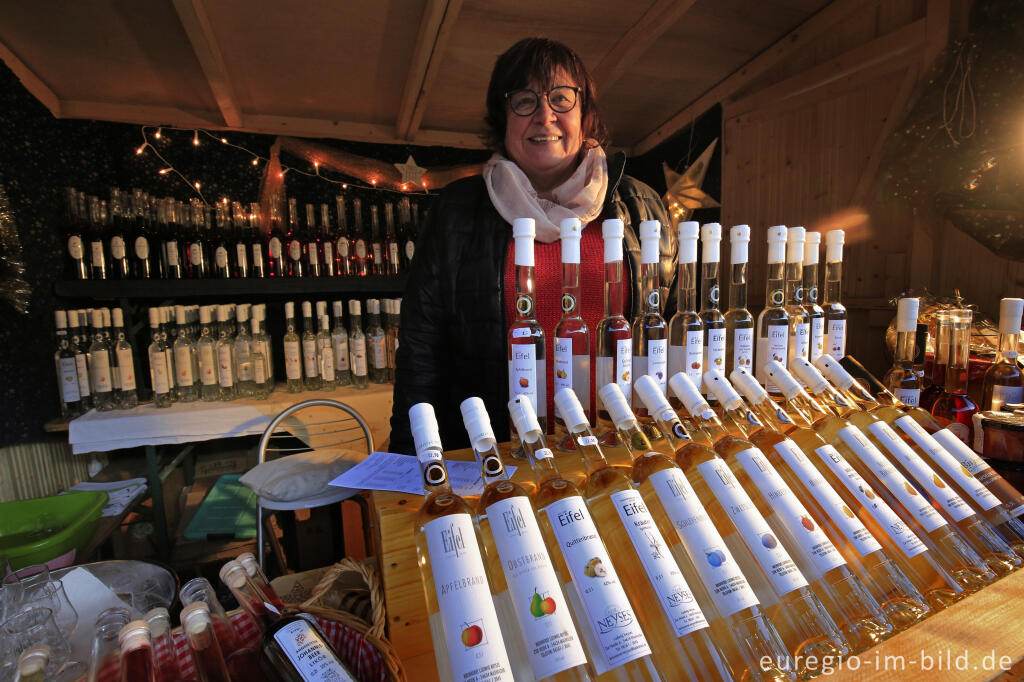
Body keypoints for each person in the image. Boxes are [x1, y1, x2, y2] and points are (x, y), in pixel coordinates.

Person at [389, 37, 675, 454]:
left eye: (561, 99)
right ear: (502, 118)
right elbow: (420, 350)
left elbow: (667, 337)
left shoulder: (642, 206)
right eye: (524, 101)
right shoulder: (458, 210)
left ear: (586, 115)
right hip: (497, 456)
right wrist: (406, 462)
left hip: (624, 452)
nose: (545, 116)